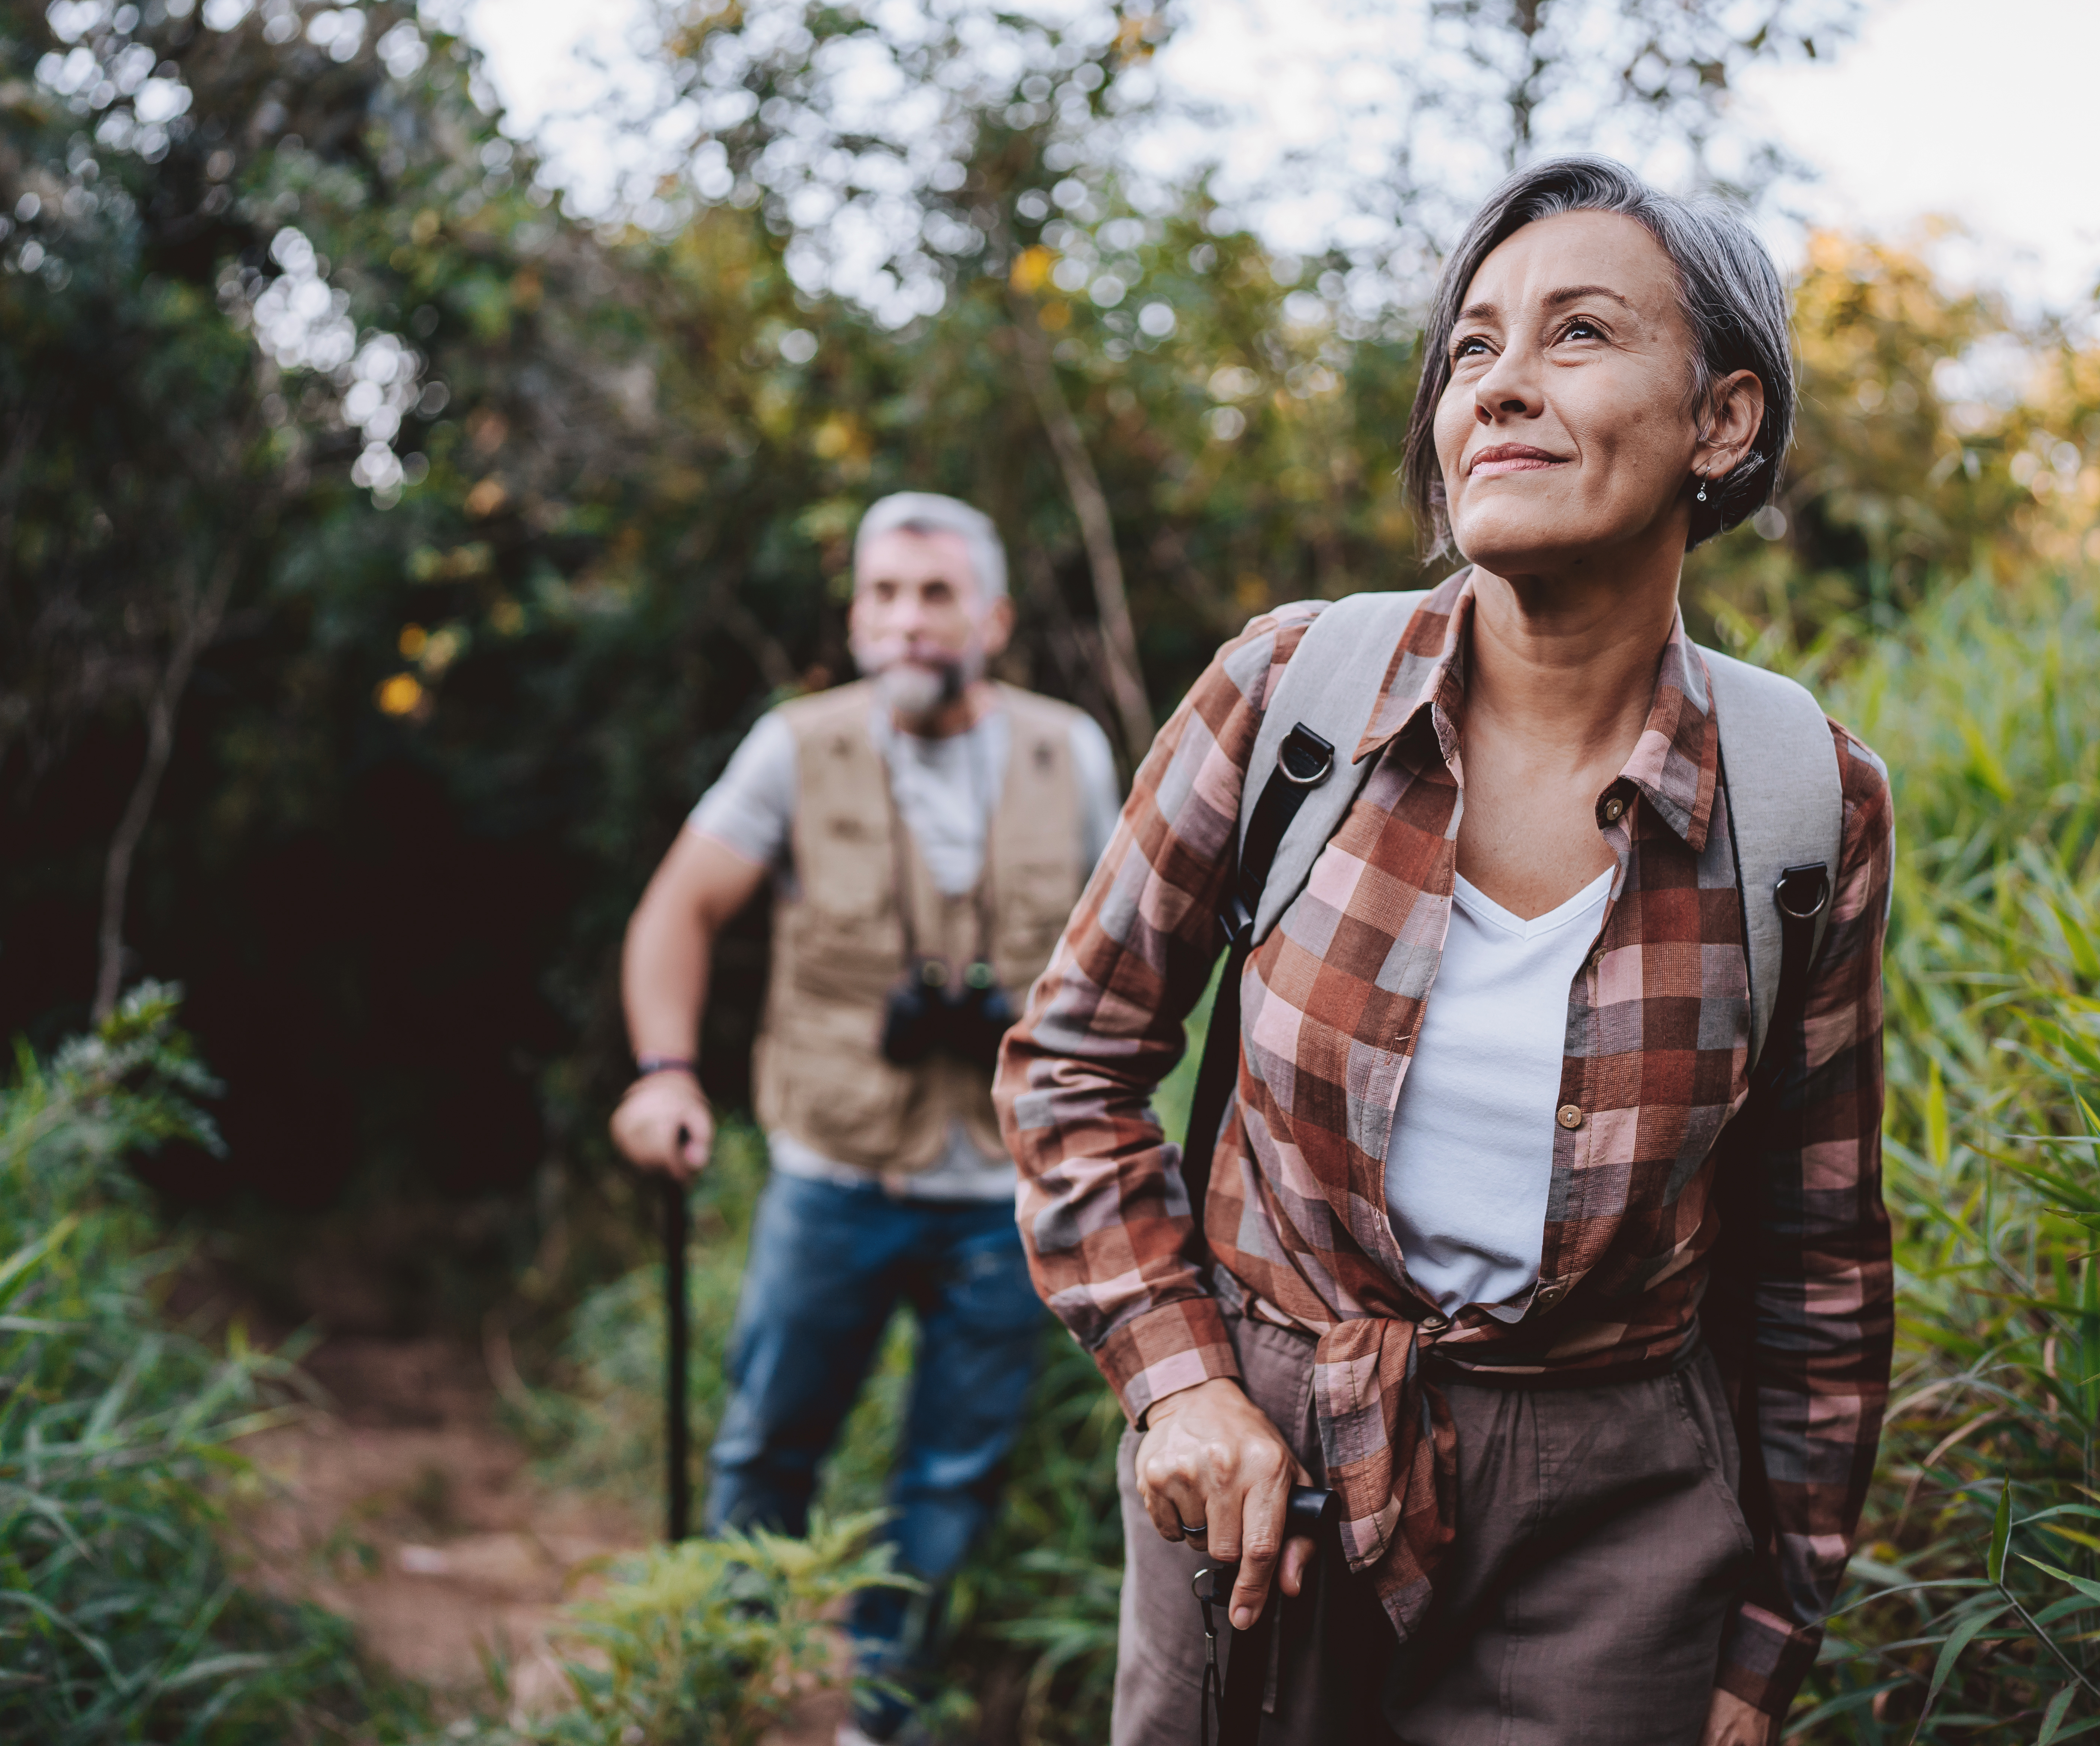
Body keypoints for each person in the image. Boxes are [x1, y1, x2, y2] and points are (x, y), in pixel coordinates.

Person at [997, 157, 1894, 1746]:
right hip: (1260, 1481)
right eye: (1473, 350)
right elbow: (1075, 1059)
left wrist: (1770, 1634)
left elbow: (1819, 1258)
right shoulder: (1293, 695)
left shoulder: (1800, 799)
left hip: (1616, 1517)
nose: (1503, 389)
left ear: (1725, 421)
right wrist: (1181, 1379)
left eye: (1579, 335)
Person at [613, 491, 1121, 1746]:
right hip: (832, 1173)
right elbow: (676, 912)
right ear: (855, 617)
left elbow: (1125, 959)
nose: (907, 621)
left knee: (951, 1482)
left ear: (992, 618)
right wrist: (666, 1070)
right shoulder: (798, 746)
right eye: (884, 596)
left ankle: (876, 1724)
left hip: (1008, 1194)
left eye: (936, 595)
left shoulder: (1074, 753)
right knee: (767, 1449)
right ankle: (721, 1691)